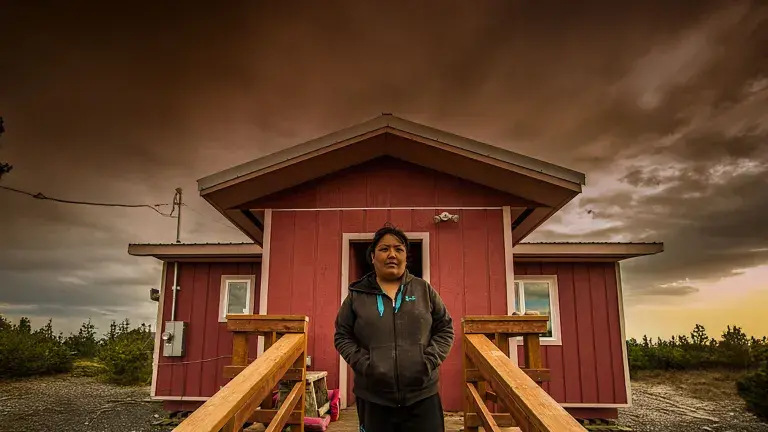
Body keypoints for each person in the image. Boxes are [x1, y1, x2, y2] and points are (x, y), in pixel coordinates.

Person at [334, 224, 454, 432]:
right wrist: (364, 364)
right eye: (384, 249)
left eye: (398, 249)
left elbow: (445, 328)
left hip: (422, 396)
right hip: (373, 399)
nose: (392, 254)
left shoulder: (423, 290)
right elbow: (342, 335)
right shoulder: (357, 295)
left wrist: (429, 361)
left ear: (406, 256)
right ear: (372, 256)